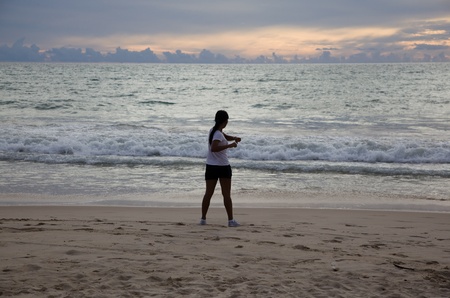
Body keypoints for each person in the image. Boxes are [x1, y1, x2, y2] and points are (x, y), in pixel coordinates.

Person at [200, 110, 241, 227]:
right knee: (226, 195)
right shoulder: (217, 134)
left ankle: (203, 219)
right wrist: (230, 145)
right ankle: (230, 220)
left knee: (208, 194)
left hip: (211, 166)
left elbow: (223, 136)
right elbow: (214, 148)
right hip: (222, 167)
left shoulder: (213, 131)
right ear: (225, 121)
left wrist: (234, 138)